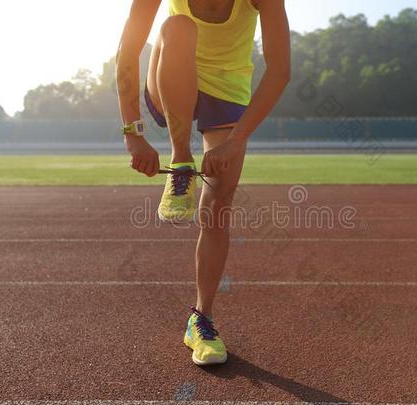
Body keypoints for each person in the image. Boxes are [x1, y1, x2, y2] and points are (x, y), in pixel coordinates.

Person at [116, 0, 290, 366]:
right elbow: (129, 50)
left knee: (216, 207)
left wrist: (237, 139)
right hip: (171, 75)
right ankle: (181, 160)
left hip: (228, 90)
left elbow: (279, 70)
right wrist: (133, 132)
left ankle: (201, 320)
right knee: (179, 27)